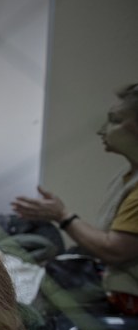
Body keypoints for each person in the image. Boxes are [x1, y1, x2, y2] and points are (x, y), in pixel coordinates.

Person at [12, 83, 138, 315]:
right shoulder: (127, 176)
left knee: (23, 309)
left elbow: (115, 251)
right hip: (112, 284)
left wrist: (63, 216)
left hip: (126, 298)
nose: (102, 130)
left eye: (115, 120)